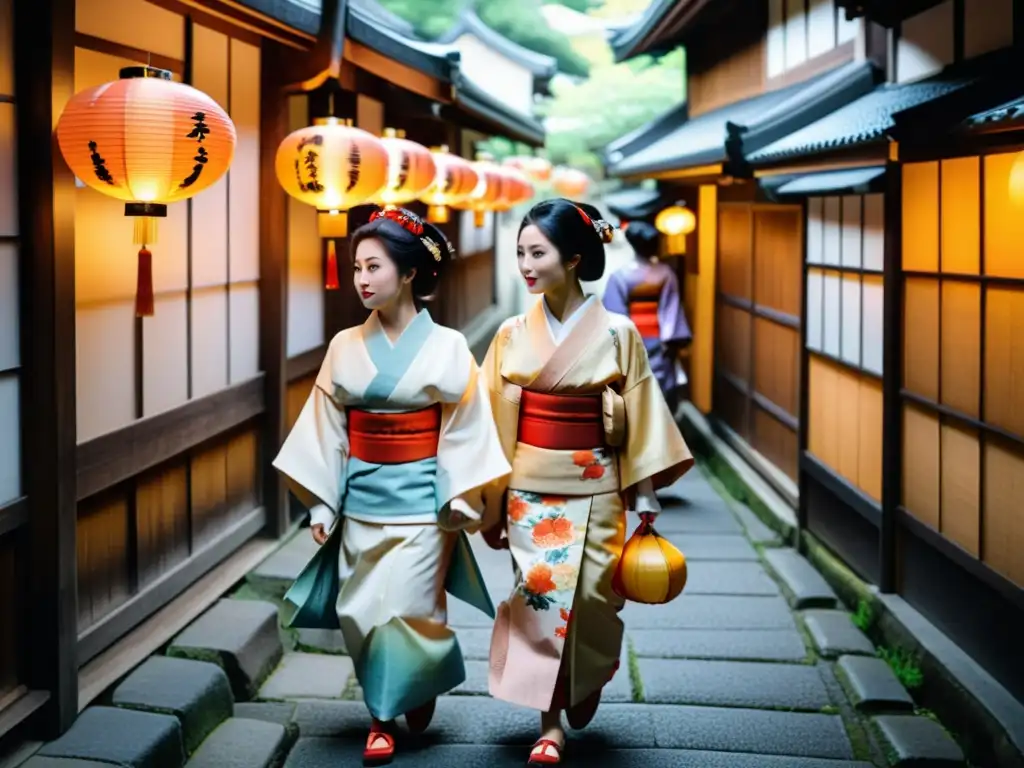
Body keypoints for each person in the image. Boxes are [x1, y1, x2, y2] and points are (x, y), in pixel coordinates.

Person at [272, 206, 511, 766]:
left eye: (373, 267)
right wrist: (322, 502)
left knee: (407, 606)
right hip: (361, 501)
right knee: (362, 611)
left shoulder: (449, 345)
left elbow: (464, 424)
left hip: (424, 503)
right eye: (356, 267)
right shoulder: (343, 345)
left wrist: (459, 491)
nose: (361, 278)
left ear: (408, 274)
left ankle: (387, 712)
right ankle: (393, 697)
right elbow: (326, 427)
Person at [479, 199, 694, 765]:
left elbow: (642, 414)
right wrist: (490, 499)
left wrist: (643, 494)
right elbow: (491, 420)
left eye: (537, 253)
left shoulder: (619, 332)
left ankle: (589, 671)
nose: (525, 265)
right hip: (529, 488)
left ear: (574, 258)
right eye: (520, 253)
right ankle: (549, 722)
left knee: (595, 598)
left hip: (598, 486)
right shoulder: (509, 334)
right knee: (540, 599)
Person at [602, 220, 692, 414]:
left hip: (630, 341)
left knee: (631, 389)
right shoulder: (665, 273)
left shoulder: (620, 276)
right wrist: (671, 340)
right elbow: (672, 309)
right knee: (660, 392)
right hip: (660, 340)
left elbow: (613, 315)